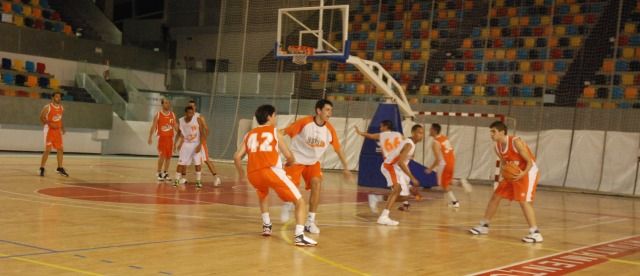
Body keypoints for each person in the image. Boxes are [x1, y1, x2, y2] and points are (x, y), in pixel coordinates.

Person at [233, 104, 317, 246]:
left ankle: (267, 225)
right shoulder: (274, 132)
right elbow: (289, 155)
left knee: (262, 194)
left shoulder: (249, 134)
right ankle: (299, 236)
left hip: (253, 174)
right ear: (269, 117)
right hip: (270, 171)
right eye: (275, 115)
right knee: (300, 201)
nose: (276, 118)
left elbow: (236, 157)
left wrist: (241, 173)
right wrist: (290, 162)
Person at [280, 99, 353, 234]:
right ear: (318, 111)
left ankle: (310, 221)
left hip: (313, 162)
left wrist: (346, 167)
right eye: (327, 110)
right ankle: (287, 204)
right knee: (290, 188)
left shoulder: (329, 129)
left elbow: (338, 149)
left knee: (317, 183)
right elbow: (283, 133)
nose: (330, 113)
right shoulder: (304, 122)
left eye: (331, 110)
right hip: (296, 160)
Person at [469, 121, 543, 243]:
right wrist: (505, 171)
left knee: (524, 202)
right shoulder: (497, 146)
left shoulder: (515, 142)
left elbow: (529, 162)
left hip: (528, 172)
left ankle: (535, 233)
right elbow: (504, 162)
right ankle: (484, 226)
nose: (491, 134)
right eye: (490, 132)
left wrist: (522, 174)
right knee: (496, 196)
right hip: (514, 174)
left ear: (502, 132)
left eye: (494, 132)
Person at [369, 124, 424, 225]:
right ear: (413, 133)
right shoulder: (409, 144)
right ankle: (383, 217)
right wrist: (412, 178)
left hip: (397, 169)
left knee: (405, 197)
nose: (421, 135)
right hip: (390, 166)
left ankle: (377, 198)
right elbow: (400, 162)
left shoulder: (411, 144)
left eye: (422, 133)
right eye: (419, 132)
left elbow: (404, 163)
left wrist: (409, 182)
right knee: (397, 189)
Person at [355, 120, 412, 212]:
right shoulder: (398, 134)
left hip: (392, 163)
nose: (380, 128)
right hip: (399, 161)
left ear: (386, 127)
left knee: (398, 188)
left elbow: (370, 135)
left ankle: (380, 201)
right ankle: (391, 207)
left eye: (381, 126)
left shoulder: (382, 135)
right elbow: (407, 144)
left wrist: (360, 132)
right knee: (403, 184)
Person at [425, 123, 472, 208]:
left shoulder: (435, 143)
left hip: (444, 164)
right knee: (447, 181)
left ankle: (455, 202)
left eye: (430, 129)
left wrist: (430, 169)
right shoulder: (444, 138)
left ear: (434, 131)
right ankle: (459, 182)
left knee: (443, 184)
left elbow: (438, 159)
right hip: (451, 162)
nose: (429, 131)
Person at [187, 100, 221, 186]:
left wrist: (203, 139)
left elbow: (207, 129)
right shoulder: (187, 118)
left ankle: (216, 178)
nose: (191, 108)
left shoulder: (200, 117)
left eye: (192, 106)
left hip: (200, 143)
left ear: (195, 107)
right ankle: (183, 178)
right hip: (191, 143)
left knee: (206, 160)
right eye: (189, 106)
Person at [173, 106, 206, 188]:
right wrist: (175, 143)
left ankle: (198, 182)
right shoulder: (181, 121)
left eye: (192, 113)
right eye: (189, 113)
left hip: (196, 144)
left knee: (197, 164)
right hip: (186, 144)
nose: (191, 114)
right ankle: (177, 180)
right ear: (186, 113)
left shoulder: (197, 119)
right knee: (181, 163)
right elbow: (179, 133)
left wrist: (200, 145)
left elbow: (202, 133)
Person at [39, 91, 68, 177]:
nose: (58, 98)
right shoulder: (47, 107)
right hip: (49, 130)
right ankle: (42, 168)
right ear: (53, 98)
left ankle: (59, 168)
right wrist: (49, 123)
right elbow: (41, 117)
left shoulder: (61, 108)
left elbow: (59, 119)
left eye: (59, 97)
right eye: (56, 96)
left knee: (60, 149)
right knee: (48, 150)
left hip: (57, 131)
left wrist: (62, 128)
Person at [148, 99, 178, 181]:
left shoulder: (172, 115)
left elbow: (175, 126)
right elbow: (153, 126)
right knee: (162, 156)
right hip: (162, 138)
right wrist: (150, 137)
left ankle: (165, 172)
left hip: (170, 138)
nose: (168, 104)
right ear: (162, 104)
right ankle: (158, 172)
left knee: (168, 157)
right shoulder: (158, 115)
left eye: (169, 103)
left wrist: (180, 133)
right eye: (166, 103)